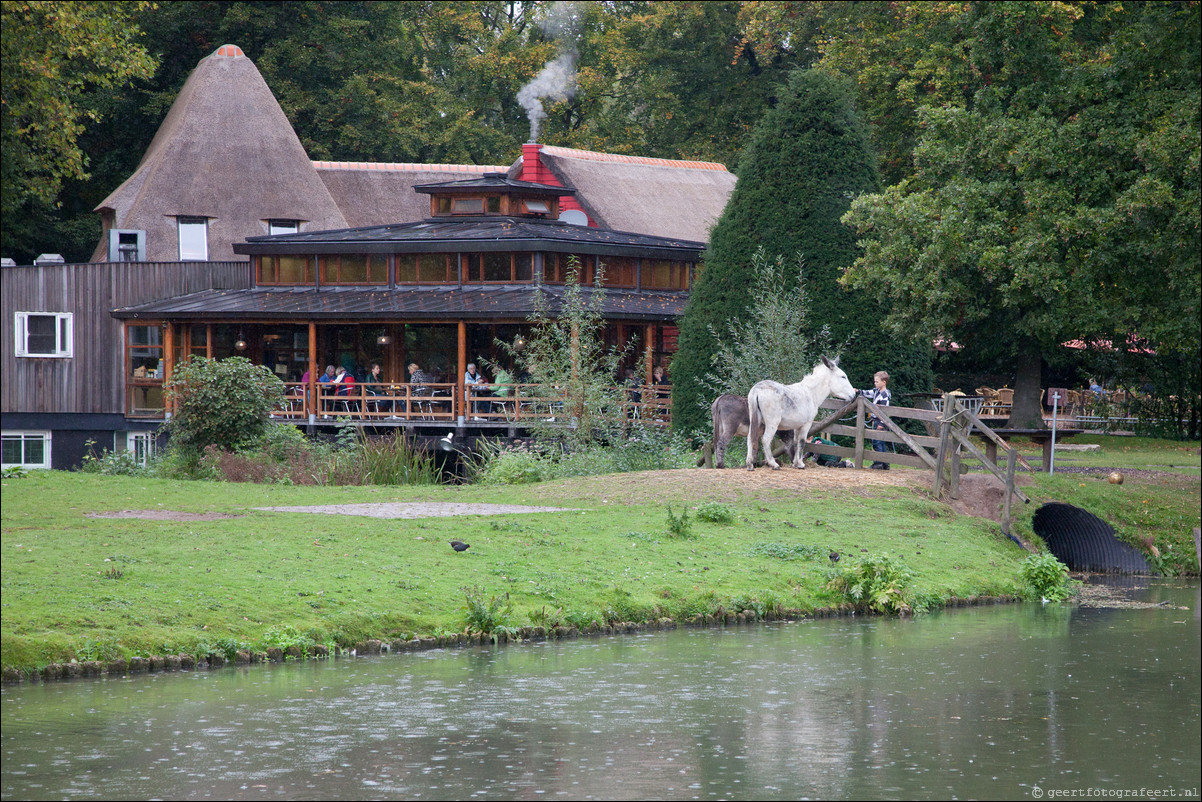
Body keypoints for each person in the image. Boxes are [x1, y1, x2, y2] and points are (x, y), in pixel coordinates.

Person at [860, 370, 892, 470]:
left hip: (880, 421)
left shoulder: (885, 394)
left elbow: (884, 411)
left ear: (884, 382)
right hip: (876, 420)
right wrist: (858, 391)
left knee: (877, 442)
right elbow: (867, 393)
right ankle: (885, 463)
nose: (875, 383)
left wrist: (882, 423)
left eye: (877, 381)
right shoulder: (876, 391)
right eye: (874, 381)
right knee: (880, 442)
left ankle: (878, 463)